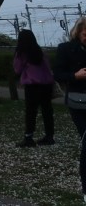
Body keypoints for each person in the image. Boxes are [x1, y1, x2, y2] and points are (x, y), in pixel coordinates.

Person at [53, 16, 86, 200]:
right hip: (79, 102)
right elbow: (58, 73)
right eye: (85, 34)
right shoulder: (66, 49)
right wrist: (75, 76)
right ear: (78, 32)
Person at [12, 29, 55, 148]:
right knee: (47, 111)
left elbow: (17, 69)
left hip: (32, 86)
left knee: (31, 112)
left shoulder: (21, 54)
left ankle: (28, 137)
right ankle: (49, 136)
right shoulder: (40, 52)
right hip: (46, 85)